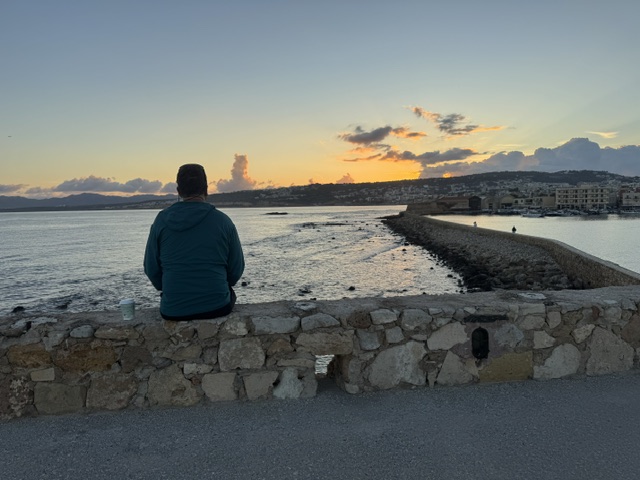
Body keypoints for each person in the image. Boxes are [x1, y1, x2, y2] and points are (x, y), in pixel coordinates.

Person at [144, 164, 245, 320]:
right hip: (217, 306)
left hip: (173, 309)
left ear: (179, 191)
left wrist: (169, 288)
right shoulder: (223, 221)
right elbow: (236, 269)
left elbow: (151, 268)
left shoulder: (161, 221)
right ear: (206, 189)